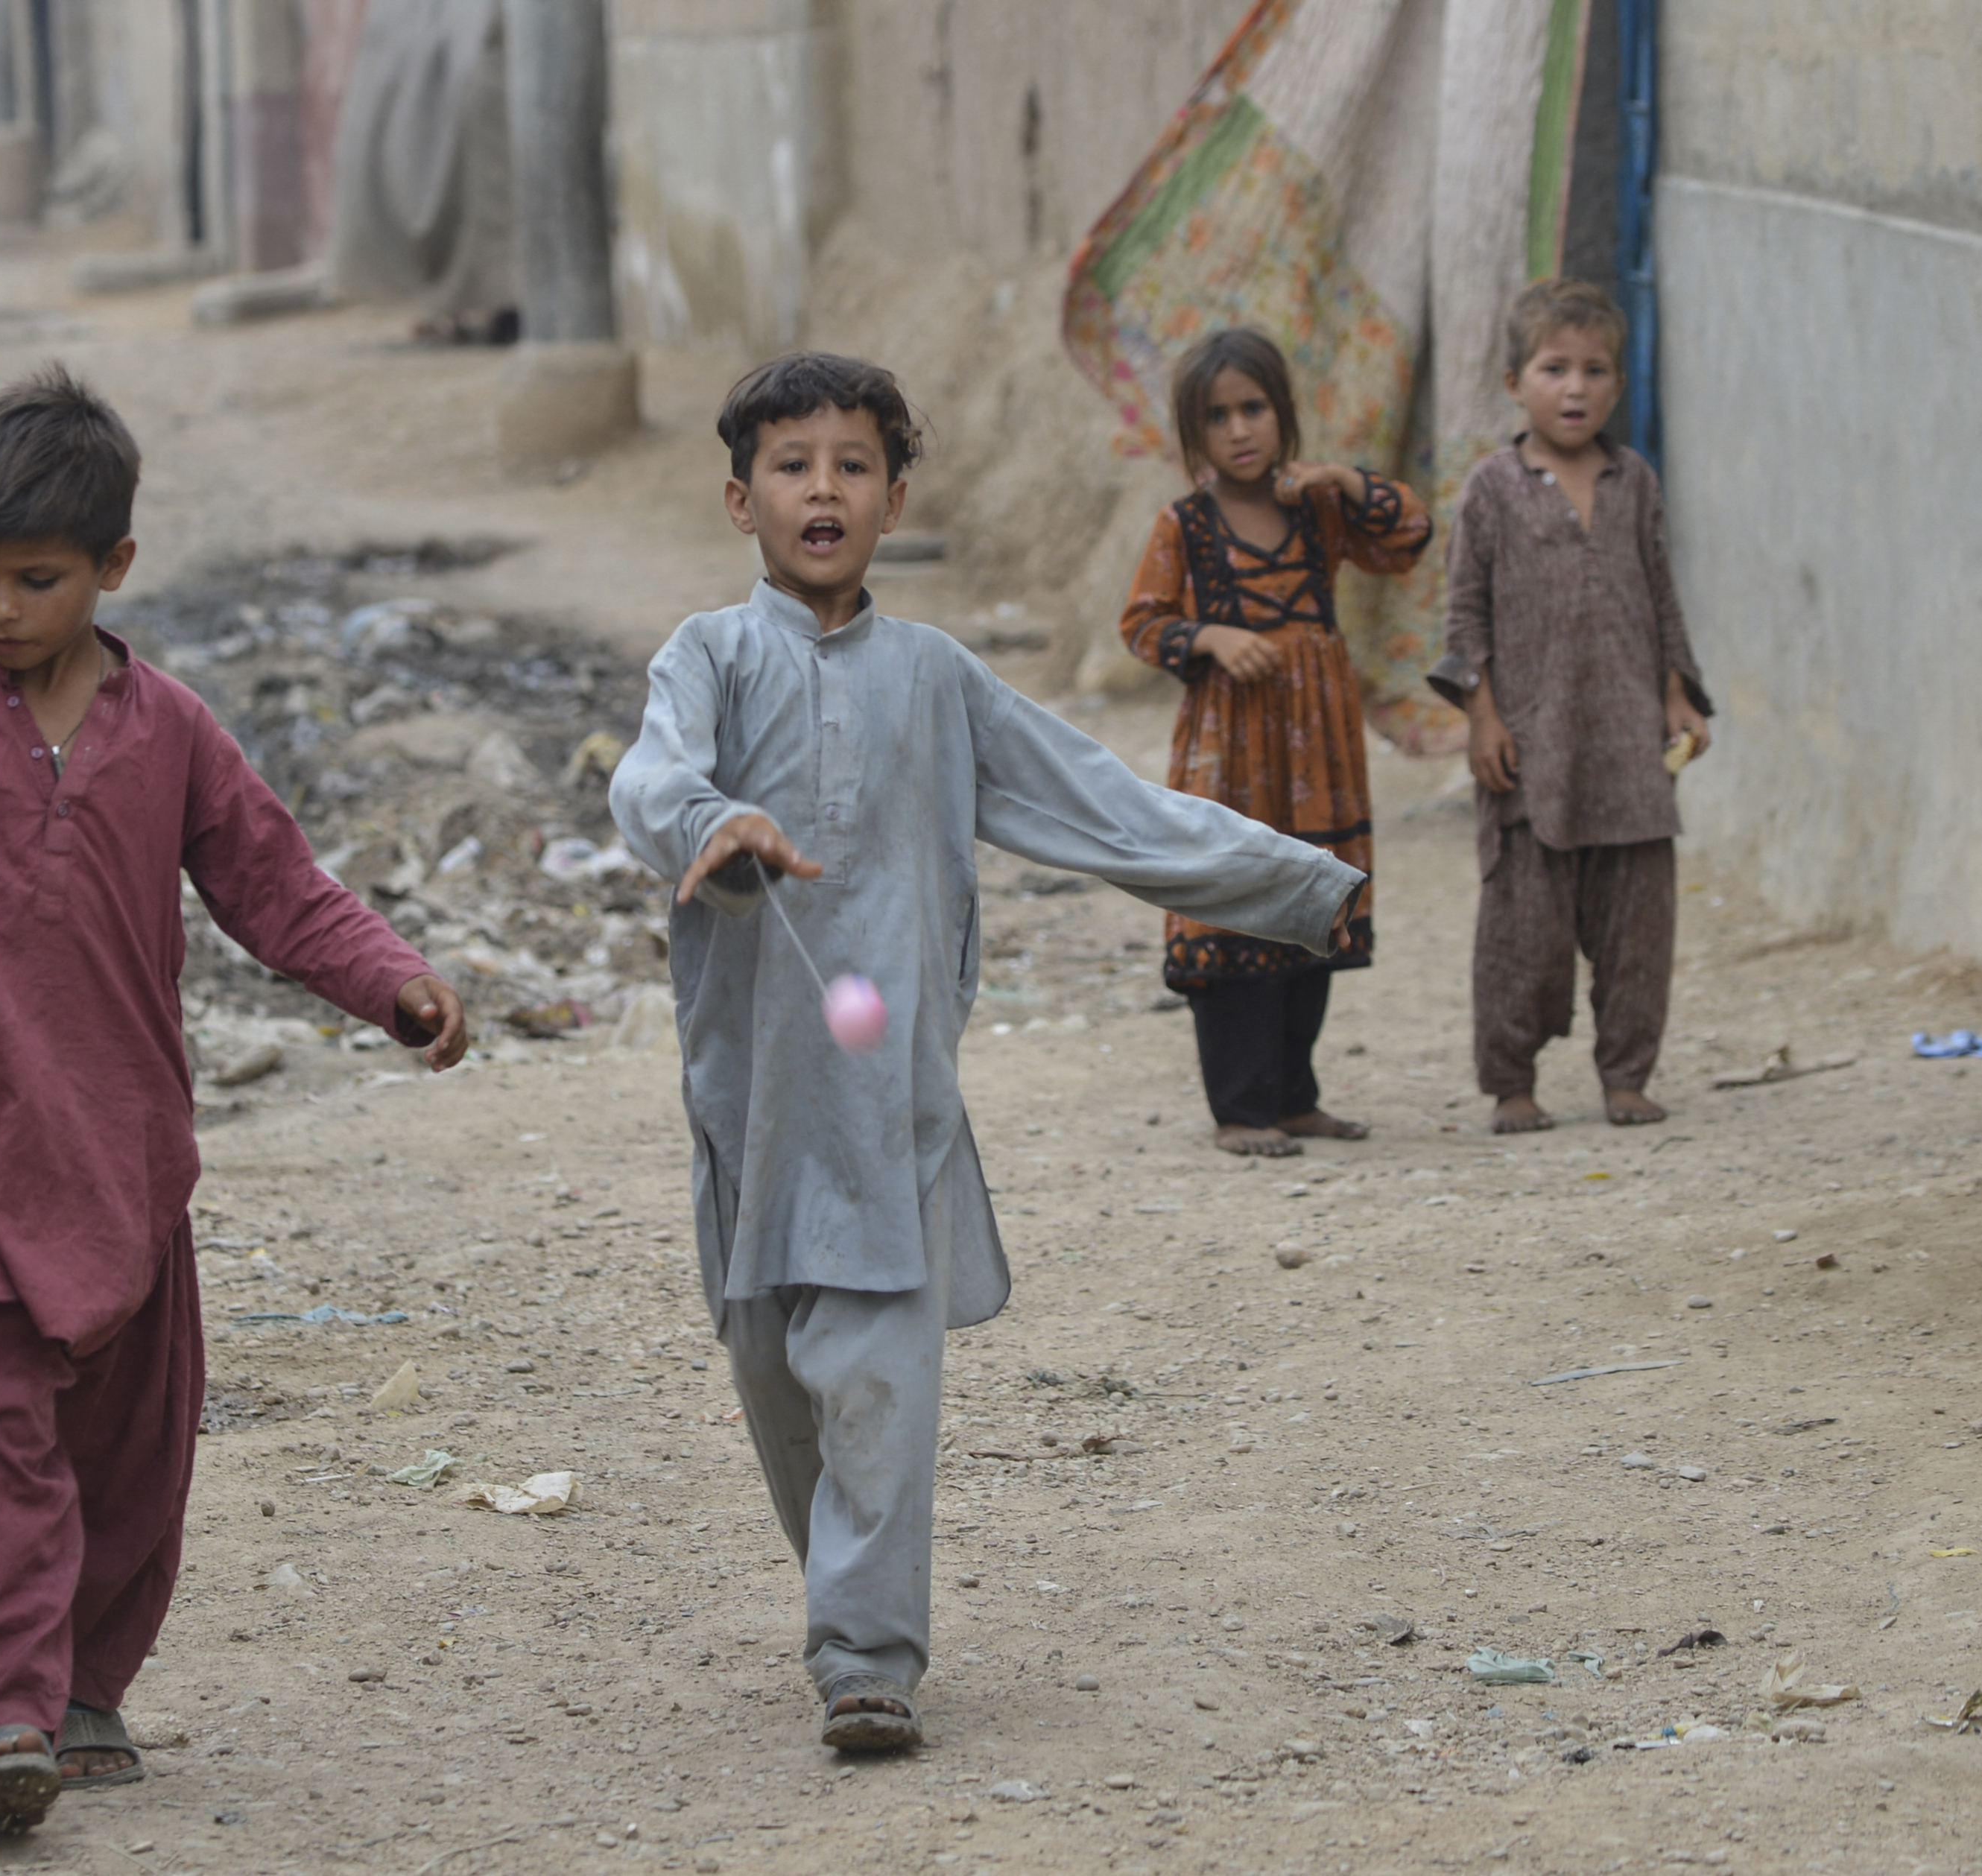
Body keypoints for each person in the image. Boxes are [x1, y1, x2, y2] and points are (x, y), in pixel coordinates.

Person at [0, 366, 471, 1831]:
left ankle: (81, 1682)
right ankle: (1, 1708)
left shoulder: (169, 729)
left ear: (114, 565)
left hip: (121, 1149)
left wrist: (393, 983)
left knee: (130, 1441)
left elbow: (274, 885)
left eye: (35, 579)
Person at [608, 354, 1361, 1755]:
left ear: (895, 498)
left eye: (851, 464)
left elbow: (1105, 806)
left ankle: (865, 1659)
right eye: (791, 464)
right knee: (782, 1387)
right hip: (755, 1103)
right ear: (739, 497)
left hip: (891, 1105)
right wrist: (710, 825)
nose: (821, 486)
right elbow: (649, 774)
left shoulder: (935, 677)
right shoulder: (707, 655)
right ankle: (843, 1594)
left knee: (880, 1386)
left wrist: (1295, 881)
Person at [1116, 328, 1431, 1157]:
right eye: (1217, 417)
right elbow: (1142, 625)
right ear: (1195, 437)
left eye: (1254, 408)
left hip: (1318, 757)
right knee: (1233, 908)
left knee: (1310, 907)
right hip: (1232, 757)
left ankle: (1296, 1097)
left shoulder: (1319, 510)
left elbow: (1409, 538)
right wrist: (1213, 638)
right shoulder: (1183, 524)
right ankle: (1241, 1109)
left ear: (1284, 415)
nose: (1240, 429)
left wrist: (1344, 479)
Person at [1428, 278, 1712, 1132]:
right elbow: (1464, 612)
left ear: (1619, 386)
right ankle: (1513, 1082)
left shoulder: (1635, 483)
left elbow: (1661, 596)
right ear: (1516, 383)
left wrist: (1679, 698)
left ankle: (1627, 1074)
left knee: (1638, 929)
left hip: (1628, 748)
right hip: (1532, 748)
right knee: (1524, 931)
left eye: (1595, 370)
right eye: (1555, 368)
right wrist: (1482, 716)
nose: (1577, 387)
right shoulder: (1491, 488)